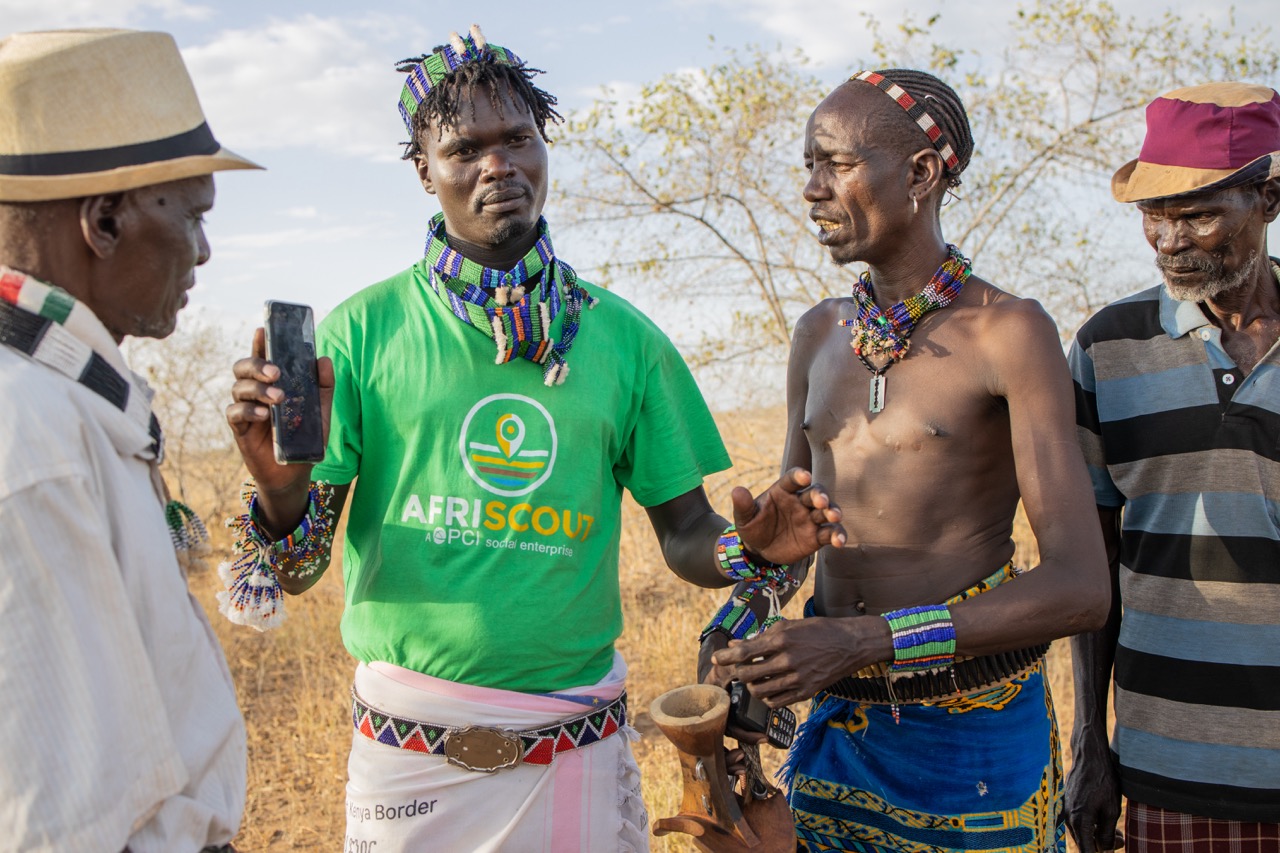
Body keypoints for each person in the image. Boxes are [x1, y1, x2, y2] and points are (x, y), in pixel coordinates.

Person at [221, 26, 845, 852]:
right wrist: (278, 493)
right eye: (464, 148)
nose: (497, 165)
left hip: (573, 743)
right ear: (423, 170)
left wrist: (750, 550)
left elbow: (688, 535)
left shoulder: (622, 339)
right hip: (409, 753)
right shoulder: (360, 335)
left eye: (517, 138)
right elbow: (297, 574)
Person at [705, 68, 1111, 853]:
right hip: (837, 734)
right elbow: (794, 550)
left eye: (836, 164)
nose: (812, 190)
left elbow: (1080, 587)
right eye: (807, 166)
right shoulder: (818, 336)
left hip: (975, 740)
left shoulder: (1009, 333)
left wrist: (866, 639)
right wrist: (756, 588)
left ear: (920, 173)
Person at [0, 28, 260, 853]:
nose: (205, 250)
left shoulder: (67, 398)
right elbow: (61, 820)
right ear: (105, 221)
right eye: (191, 214)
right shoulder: (29, 433)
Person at [1065, 82, 1280, 853]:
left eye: (1196, 213)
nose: (1166, 239)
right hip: (1168, 769)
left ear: (1270, 197)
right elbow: (1090, 573)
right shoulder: (1105, 350)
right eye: (1152, 214)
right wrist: (1091, 742)